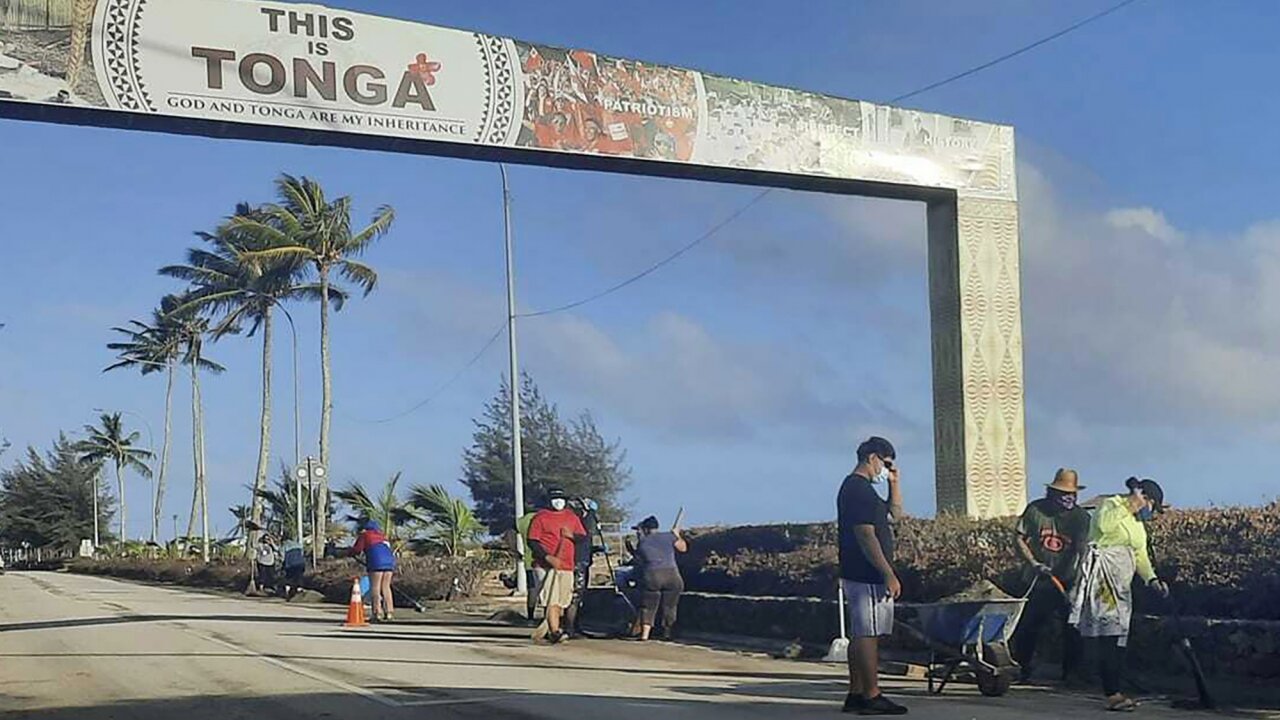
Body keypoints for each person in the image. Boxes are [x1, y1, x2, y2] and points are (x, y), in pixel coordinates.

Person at [1069, 477, 1170, 712]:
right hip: (1103, 581)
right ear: (1142, 498)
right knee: (1109, 632)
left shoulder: (1138, 525)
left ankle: (1115, 685)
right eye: (1151, 505)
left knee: (1118, 635)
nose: (1150, 512)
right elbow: (1103, 527)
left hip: (1122, 584)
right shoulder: (1111, 505)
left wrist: (1152, 579)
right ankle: (1112, 692)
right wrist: (1128, 506)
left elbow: (1140, 556)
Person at [837, 436, 908, 716]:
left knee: (861, 633)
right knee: (869, 634)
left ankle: (856, 692)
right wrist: (887, 573)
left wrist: (894, 484)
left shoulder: (864, 490)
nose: (887, 470)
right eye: (886, 464)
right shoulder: (858, 490)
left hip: (860, 572)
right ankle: (871, 693)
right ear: (872, 458)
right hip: (867, 574)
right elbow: (866, 535)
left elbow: (896, 515)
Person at [1011, 468, 1091, 682]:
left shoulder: (1081, 517)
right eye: (1064, 494)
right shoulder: (1035, 510)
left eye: (1072, 494)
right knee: (1029, 626)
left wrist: (1078, 582)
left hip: (1066, 581)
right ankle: (1022, 668)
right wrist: (1034, 563)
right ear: (1052, 493)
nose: (1069, 498)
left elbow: (1082, 549)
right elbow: (1018, 538)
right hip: (1037, 581)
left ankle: (1071, 674)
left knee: (1072, 628)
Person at [527, 487, 586, 644]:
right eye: (555, 499)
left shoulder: (571, 517)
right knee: (551, 599)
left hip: (566, 565)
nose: (558, 502)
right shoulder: (540, 517)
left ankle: (551, 627)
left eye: (561, 499)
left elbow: (582, 538)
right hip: (545, 566)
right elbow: (532, 541)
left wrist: (571, 536)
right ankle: (555, 631)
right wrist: (548, 558)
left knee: (562, 601)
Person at [632, 515, 687, 641]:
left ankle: (645, 635)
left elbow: (640, 559)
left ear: (646, 529)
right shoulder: (669, 536)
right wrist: (676, 535)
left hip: (652, 575)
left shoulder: (643, 542)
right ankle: (667, 632)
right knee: (670, 606)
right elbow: (683, 548)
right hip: (672, 574)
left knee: (649, 605)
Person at [565, 497, 601, 637]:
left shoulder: (583, 522)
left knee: (578, 596)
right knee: (575, 595)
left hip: (582, 560)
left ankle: (573, 625)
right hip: (577, 561)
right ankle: (570, 627)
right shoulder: (581, 522)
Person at [349, 519, 397, 623]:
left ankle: (377, 612)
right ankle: (389, 612)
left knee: (375, 587)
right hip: (390, 562)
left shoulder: (365, 535)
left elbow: (357, 549)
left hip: (376, 562)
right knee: (386, 587)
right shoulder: (382, 536)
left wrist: (350, 552)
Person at [516, 508, 544, 621]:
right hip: (547, 560)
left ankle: (531, 617)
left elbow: (510, 532)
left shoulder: (522, 521)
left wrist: (515, 550)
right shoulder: (546, 517)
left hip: (529, 561)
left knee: (532, 589)